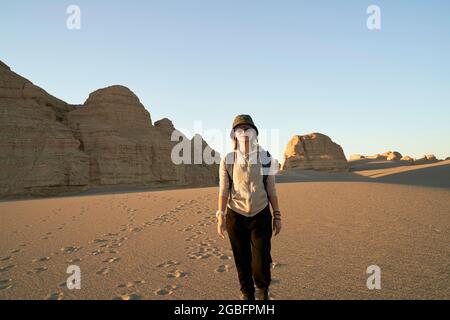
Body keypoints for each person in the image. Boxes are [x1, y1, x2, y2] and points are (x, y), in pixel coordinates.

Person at [216, 114, 282, 300]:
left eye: (248, 129)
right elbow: (224, 189)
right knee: (241, 259)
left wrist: (277, 215)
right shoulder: (227, 160)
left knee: (261, 259)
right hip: (235, 216)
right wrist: (220, 215)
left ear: (255, 133)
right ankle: (247, 294)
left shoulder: (265, 157)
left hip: (260, 215)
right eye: (239, 129)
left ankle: (262, 290)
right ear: (234, 135)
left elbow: (271, 188)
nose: (244, 132)